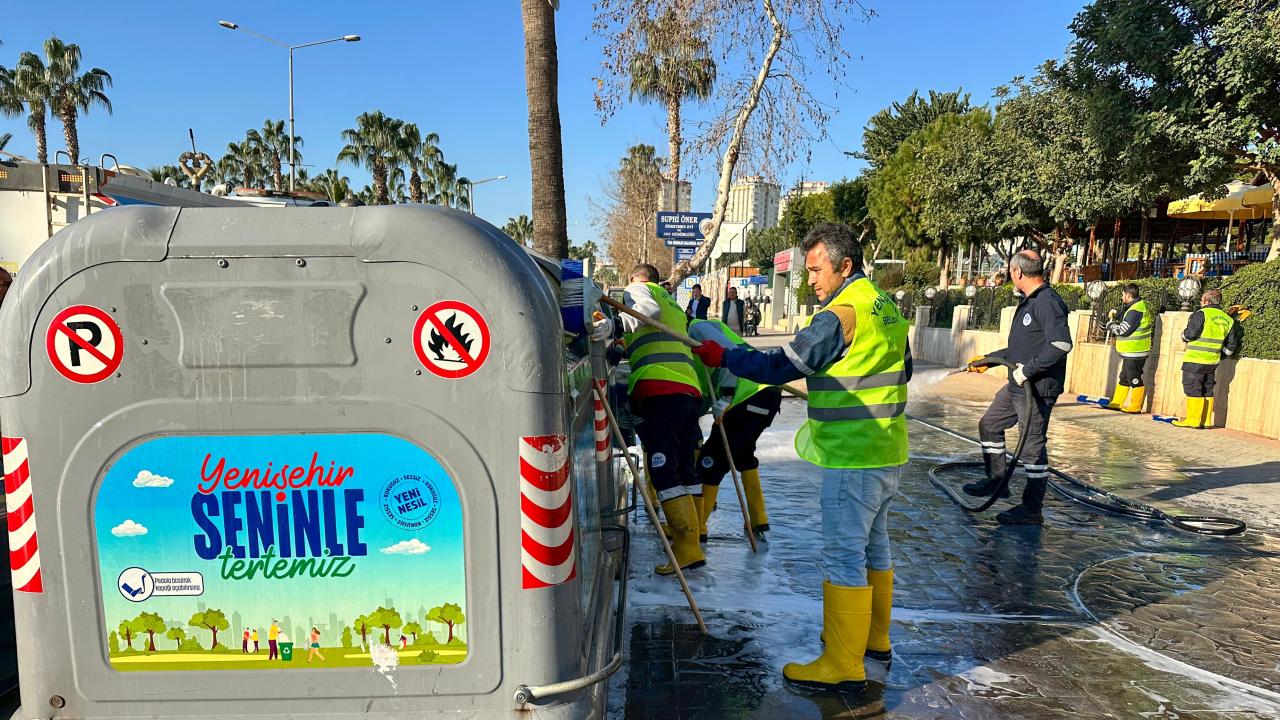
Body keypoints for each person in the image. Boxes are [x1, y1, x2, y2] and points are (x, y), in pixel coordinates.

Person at [693, 223, 909, 692]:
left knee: (843, 553)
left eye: (816, 270)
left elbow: (780, 366)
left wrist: (725, 356)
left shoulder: (840, 314)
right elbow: (902, 368)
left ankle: (842, 663)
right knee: (875, 547)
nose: (809, 279)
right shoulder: (885, 306)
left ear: (844, 266)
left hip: (855, 456)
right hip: (887, 449)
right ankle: (875, 642)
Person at [963, 250, 1072, 525]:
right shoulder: (1029, 301)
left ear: (1017, 272)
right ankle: (997, 481)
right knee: (989, 425)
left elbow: (1061, 344)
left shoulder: (1047, 302)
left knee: (1032, 448)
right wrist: (989, 361)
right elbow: (1021, 348)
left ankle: (1031, 509)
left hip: (1035, 388)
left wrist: (1028, 370)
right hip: (1017, 385)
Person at [621, 264, 706, 575]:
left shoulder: (638, 290)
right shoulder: (674, 303)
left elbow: (646, 309)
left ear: (636, 278)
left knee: (663, 471)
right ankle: (694, 543)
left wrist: (616, 328)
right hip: (687, 391)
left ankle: (685, 548)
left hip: (660, 390)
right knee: (686, 468)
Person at [688, 317, 781, 541]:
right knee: (743, 456)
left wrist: (727, 396)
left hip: (746, 396)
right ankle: (759, 520)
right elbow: (706, 393)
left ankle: (697, 527)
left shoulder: (696, 328)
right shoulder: (694, 346)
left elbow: (728, 353)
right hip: (765, 395)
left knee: (710, 463)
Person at [1172, 289, 1242, 428]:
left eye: (1202, 299)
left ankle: (1193, 420)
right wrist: (1222, 355)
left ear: (1208, 301)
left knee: (1193, 388)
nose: (1200, 302)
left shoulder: (1201, 314)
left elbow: (1190, 334)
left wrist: (1183, 336)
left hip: (1195, 360)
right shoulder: (1227, 319)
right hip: (1212, 361)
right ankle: (1205, 421)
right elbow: (1230, 346)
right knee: (1207, 389)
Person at [1104, 283, 1153, 413]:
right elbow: (1127, 318)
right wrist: (1117, 314)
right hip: (1132, 351)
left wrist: (1110, 325)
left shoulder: (1136, 310)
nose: (1122, 297)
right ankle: (1117, 402)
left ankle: (1135, 406)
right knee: (1124, 376)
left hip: (1136, 350)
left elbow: (1123, 330)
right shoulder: (1135, 307)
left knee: (1134, 377)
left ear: (1128, 295)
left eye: (1123, 295)